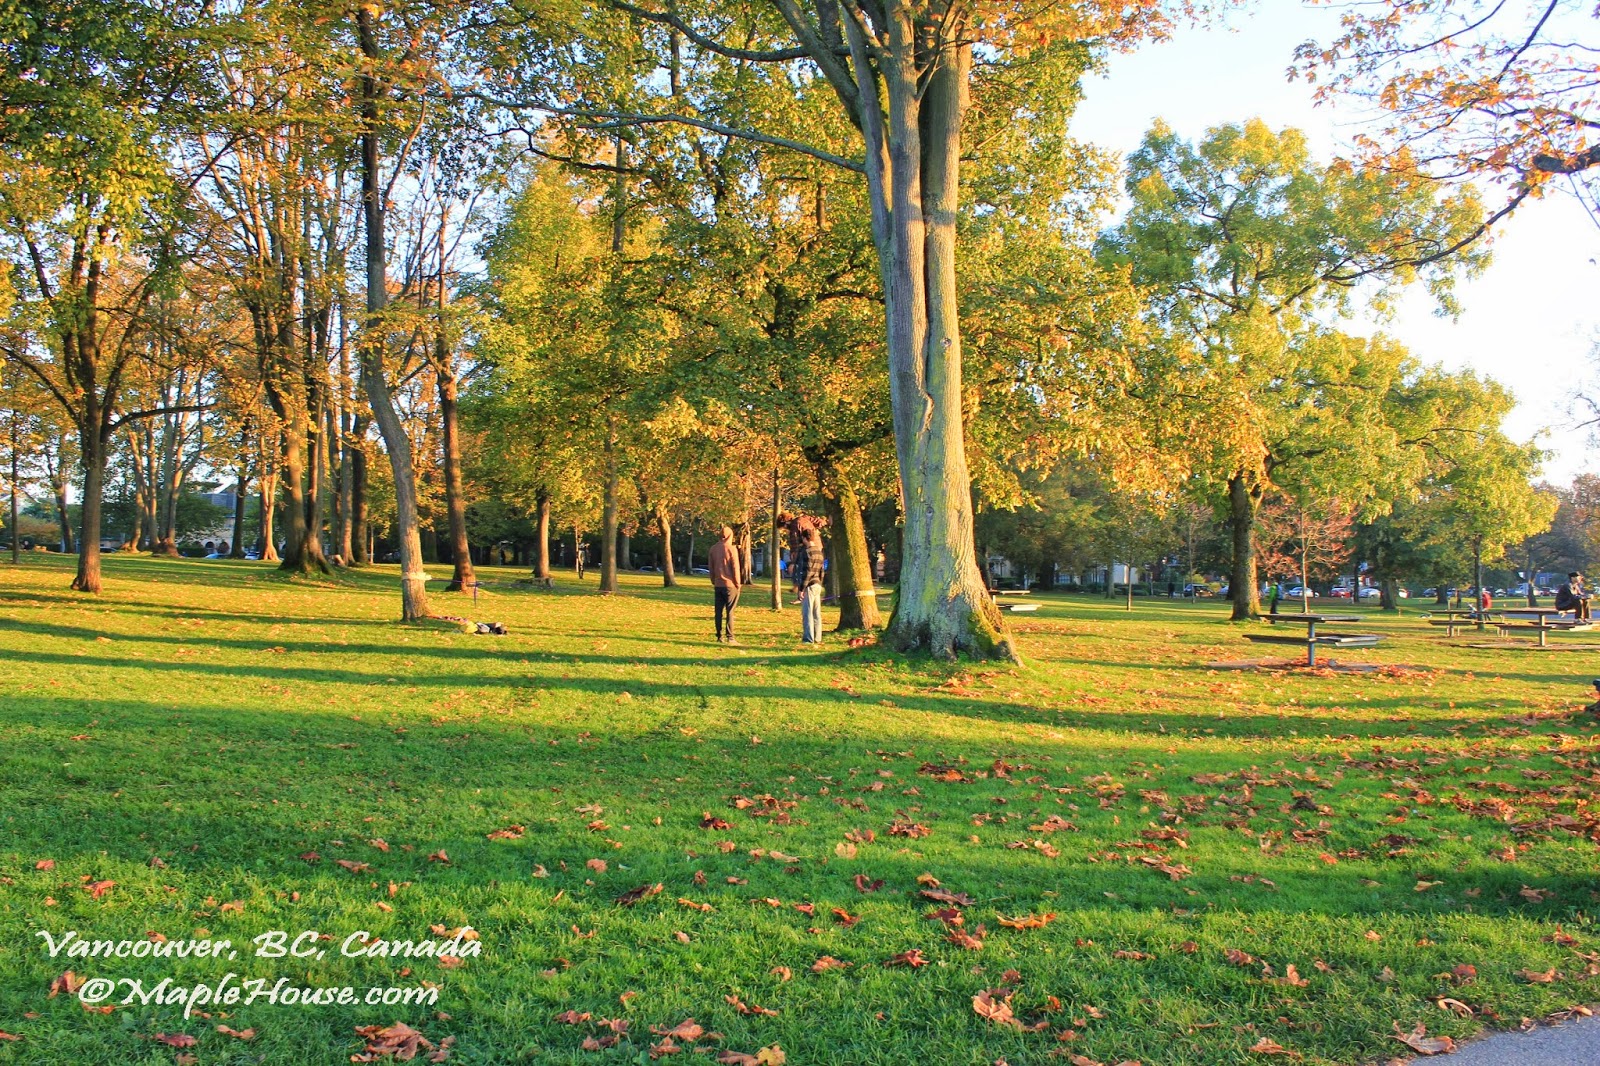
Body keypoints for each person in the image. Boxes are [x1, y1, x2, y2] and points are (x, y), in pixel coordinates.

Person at [708, 524, 744, 644]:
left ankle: (719, 636)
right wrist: (738, 583)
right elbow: (735, 567)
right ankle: (730, 636)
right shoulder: (731, 549)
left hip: (718, 584)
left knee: (718, 611)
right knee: (730, 611)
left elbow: (711, 567)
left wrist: (713, 580)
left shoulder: (713, 549)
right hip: (730, 585)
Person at [795, 522, 827, 644]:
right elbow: (822, 571)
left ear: (804, 538)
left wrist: (801, 588)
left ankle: (808, 638)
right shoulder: (819, 552)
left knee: (807, 613)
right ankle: (818, 637)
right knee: (816, 613)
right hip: (818, 583)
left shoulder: (807, 552)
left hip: (809, 585)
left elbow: (806, 572)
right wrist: (820, 582)